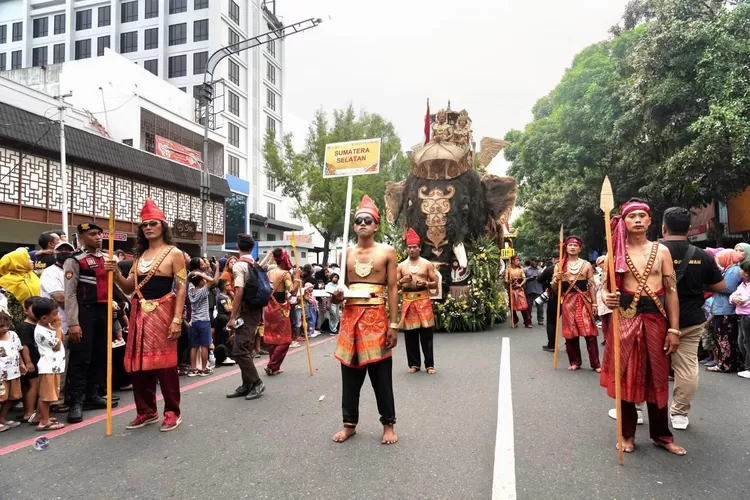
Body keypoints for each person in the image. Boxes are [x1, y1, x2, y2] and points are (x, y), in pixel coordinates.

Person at [601, 198, 686, 455]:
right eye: (631, 216)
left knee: (657, 376)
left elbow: (671, 292)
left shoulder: (662, 252)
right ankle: (627, 435)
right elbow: (606, 291)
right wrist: (608, 298)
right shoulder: (613, 252)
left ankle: (662, 435)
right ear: (624, 222)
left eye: (642, 215)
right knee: (626, 375)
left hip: (656, 320)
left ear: (650, 221)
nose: (637, 219)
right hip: (625, 319)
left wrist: (674, 329)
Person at [106, 198, 187, 432]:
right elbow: (130, 287)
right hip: (139, 313)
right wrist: (115, 273)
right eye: (145, 225)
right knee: (139, 366)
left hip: (164, 311)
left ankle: (172, 411)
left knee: (166, 365)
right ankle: (146, 411)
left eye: (153, 223)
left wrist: (177, 319)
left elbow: (181, 287)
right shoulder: (139, 257)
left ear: (163, 226)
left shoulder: (175, 253)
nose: (149, 227)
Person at [330, 195, 398, 445]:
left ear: (376, 225)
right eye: (358, 221)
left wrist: (393, 325)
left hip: (376, 320)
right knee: (349, 376)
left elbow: (392, 288)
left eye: (367, 220)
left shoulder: (387, 252)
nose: (362, 224)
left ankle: (388, 424)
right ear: (354, 226)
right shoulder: (345, 254)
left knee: (381, 376)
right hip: (350, 321)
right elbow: (342, 289)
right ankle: (349, 424)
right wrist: (337, 297)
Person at [659, 207, 725, 430]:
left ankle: (637, 410)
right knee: (686, 367)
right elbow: (720, 286)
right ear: (689, 229)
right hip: (691, 318)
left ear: (663, 227)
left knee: (648, 364)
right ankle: (679, 414)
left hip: (655, 317)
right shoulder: (703, 256)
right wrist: (696, 285)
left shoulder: (652, 252)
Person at [64, 222, 119, 424]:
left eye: (99, 234)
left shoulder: (108, 258)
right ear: (81, 237)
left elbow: (116, 285)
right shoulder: (75, 260)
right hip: (84, 312)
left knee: (100, 355)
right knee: (81, 357)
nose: (98, 237)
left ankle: (92, 395)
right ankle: (76, 402)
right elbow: (69, 293)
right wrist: (73, 323)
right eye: (92, 234)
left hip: (104, 312)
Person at [225, 234, 266, 400]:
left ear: (237, 246)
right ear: (252, 247)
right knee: (245, 346)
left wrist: (232, 317)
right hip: (255, 310)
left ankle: (256, 382)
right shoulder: (254, 264)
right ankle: (247, 384)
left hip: (246, 310)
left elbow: (239, 291)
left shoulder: (239, 265)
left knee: (239, 348)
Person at [551, 236, 600, 372]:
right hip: (567, 301)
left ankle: (596, 363)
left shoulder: (586, 265)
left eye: (575, 245)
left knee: (589, 332)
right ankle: (574, 361)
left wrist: (595, 304)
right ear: (566, 247)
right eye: (570, 245)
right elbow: (555, 288)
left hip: (584, 299)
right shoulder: (559, 266)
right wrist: (557, 279)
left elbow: (591, 285)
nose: (572, 247)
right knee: (570, 333)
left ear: (580, 248)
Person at [397, 228, 439, 374]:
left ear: (419, 248)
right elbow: (394, 286)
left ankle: (429, 365)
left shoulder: (427, 264)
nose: (412, 249)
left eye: (414, 247)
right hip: (408, 301)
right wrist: (402, 281)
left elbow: (436, 281)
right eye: (409, 247)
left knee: (426, 335)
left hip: (423, 301)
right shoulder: (401, 266)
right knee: (410, 335)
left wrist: (426, 284)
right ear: (406, 249)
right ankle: (414, 364)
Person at [40, 240, 75, 409]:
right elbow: (60, 298)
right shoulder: (50, 272)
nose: (66, 252)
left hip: (72, 324)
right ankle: (55, 400)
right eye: (62, 249)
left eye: (69, 249)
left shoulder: (73, 270)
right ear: (55, 253)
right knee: (58, 363)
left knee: (70, 364)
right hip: (55, 326)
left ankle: (66, 396)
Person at [707, 244, 749, 374]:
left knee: (726, 338)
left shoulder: (732, 271)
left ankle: (726, 364)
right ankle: (730, 363)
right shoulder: (729, 270)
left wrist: (712, 286)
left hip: (727, 310)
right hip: (726, 308)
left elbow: (728, 288)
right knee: (734, 339)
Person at [263, 248, 301, 376]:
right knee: (285, 340)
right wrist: (297, 278)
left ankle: (275, 367)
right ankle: (271, 365)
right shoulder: (285, 274)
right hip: (280, 309)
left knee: (272, 338)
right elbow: (293, 291)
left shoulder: (269, 272)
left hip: (269, 307)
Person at [32, 297, 66, 431]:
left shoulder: (49, 326)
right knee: (46, 397)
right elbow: (57, 345)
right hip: (48, 367)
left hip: (54, 366)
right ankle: (44, 422)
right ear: (44, 318)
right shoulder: (41, 331)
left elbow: (60, 337)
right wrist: (58, 327)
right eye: (54, 314)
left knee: (48, 394)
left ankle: (40, 416)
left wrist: (56, 328)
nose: (57, 316)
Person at [0, 248, 41, 330]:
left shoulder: (32, 275)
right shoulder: (5, 282)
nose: (32, 261)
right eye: (28, 259)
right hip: (20, 326)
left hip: (39, 321)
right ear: (18, 262)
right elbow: (8, 308)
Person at [187, 267, 217, 377]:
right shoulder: (203, 290)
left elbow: (189, 279)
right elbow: (212, 281)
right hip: (204, 321)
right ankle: (204, 369)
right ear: (200, 281)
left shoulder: (191, 290)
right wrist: (202, 275)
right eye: (202, 280)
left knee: (194, 346)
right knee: (204, 345)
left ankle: (194, 369)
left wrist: (195, 274)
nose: (205, 281)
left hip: (194, 321)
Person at [0, 309, 26, 432]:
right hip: (1, 376)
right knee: (1, 397)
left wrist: (22, 364)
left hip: (13, 372)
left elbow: (18, 350)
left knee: (12, 397)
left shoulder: (13, 335)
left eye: (7, 325)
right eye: (1, 326)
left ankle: (2, 417)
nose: (5, 328)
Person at [18, 297, 40, 423]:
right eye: (33, 310)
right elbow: (24, 346)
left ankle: (29, 410)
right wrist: (28, 362)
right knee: (33, 385)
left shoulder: (38, 325)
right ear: (25, 311)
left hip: (37, 359)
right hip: (31, 360)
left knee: (30, 385)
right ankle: (29, 412)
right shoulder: (25, 327)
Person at [731, 261, 750, 379]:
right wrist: (735, 299)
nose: (740, 271)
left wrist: (739, 300)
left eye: (742, 269)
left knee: (747, 342)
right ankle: (746, 365)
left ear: (747, 273)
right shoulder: (743, 284)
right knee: (742, 341)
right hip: (742, 316)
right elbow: (732, 296)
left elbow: (745, 300)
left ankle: (749, 367)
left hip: (748, 315)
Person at [538, 250, 560, 352]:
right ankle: (570, 344)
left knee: (551, 321)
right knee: (570, 322)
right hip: (570, 298)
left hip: (555, 297)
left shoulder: (550, 268)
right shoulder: (571, 267)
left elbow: (539, 279)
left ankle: (551, 344)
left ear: (554, 258)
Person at [506, 255, 531, 328]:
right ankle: (515, 321)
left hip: (519, 290)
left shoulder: (520, 269)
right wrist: (508, 281)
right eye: (517, 260)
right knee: (512, 307)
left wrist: (520, 285)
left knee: (524, 306)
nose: (518, 262)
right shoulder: (508, 270)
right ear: (513, 261)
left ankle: (527, 322)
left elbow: (524, 278)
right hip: (512, 290)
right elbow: (505, 279)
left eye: (518, 260)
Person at [524, 257, 545, 326]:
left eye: (537, 262)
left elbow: (544, 278)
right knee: (528, 307)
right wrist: (529, 278)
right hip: (529, 291)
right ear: (531, 262)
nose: (535, 263)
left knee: (540, 307)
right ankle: (528, 320)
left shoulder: (540, 270)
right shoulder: (526, 270)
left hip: (539, 291)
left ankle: (540, 319)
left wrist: (539, 277)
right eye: (534, 261)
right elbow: (522, 279)